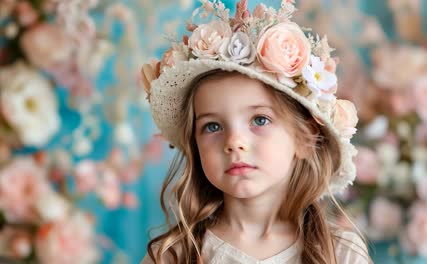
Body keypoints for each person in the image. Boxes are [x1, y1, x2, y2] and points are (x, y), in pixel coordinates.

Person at [139, 0, 370, 263]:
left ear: (304, 138)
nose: (234, 142)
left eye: (259, 120)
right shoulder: (174, 254)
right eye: (212, 126)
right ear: (195, 144)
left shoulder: (339, 252)